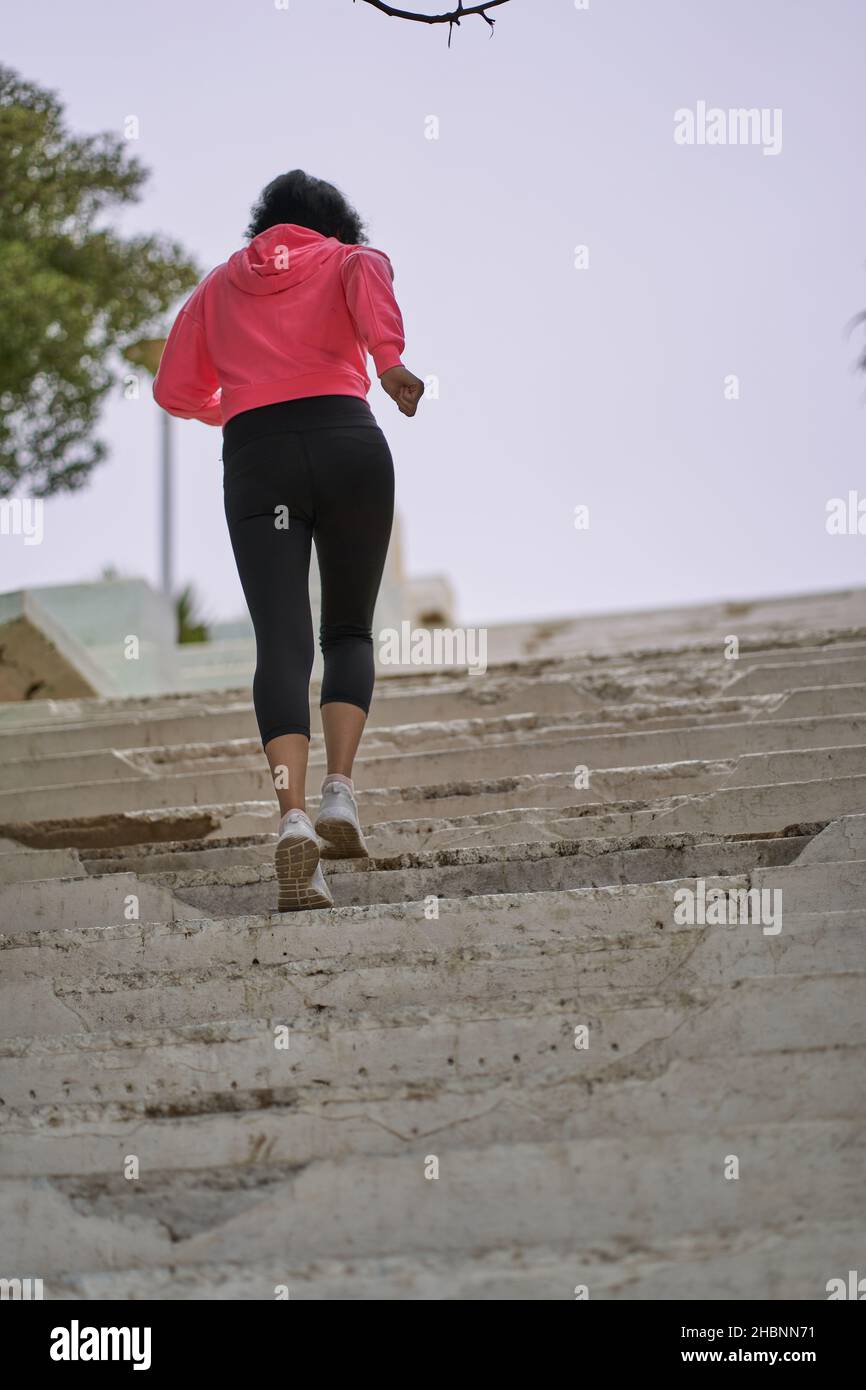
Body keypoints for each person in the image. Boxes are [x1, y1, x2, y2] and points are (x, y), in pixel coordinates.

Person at [153, 169, 424, 910]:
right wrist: (390, 362)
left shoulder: (215, 288)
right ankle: (340, 793)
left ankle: (293, 819)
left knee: (282, 644)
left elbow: (173, 391)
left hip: (257, 455)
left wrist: (240, 405)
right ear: (333, 222)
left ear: (261, 224)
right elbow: (371, 275)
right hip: (347, 440)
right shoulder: (347, 259)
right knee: (347, 631)